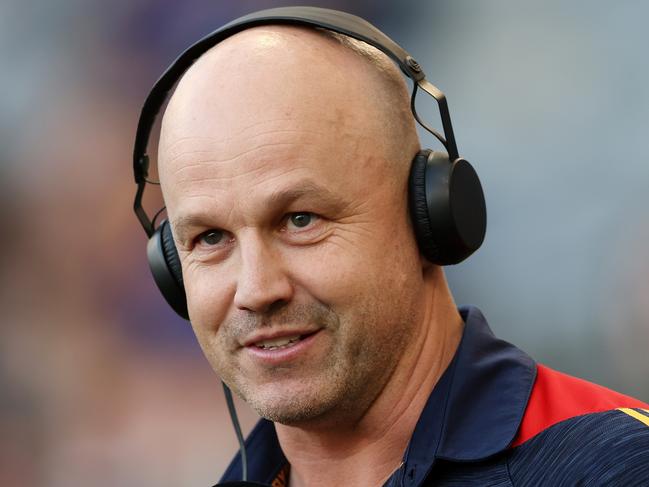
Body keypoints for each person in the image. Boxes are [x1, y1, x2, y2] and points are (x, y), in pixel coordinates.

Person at [136, 8, 649, 487]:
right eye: (210, 239)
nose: (256, 289)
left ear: (429, 217)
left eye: (299, 220)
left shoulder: (611, 463)